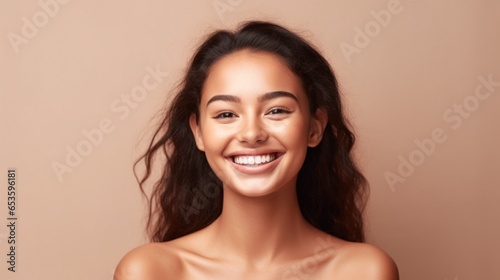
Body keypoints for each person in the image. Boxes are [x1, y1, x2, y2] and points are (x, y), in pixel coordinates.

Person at [114, 20, 399, 279]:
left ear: (314, 127)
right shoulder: (150, 272)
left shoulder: (363, 272)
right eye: (226, 114)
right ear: (198, 132)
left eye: (276, 111)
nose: (251, 134)